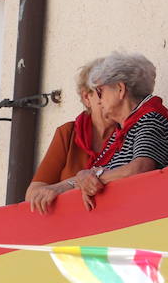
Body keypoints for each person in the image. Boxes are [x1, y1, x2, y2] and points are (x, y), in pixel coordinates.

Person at [70, 52, 168, 211]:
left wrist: (94, 177)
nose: (99, 101)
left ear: (120, 89)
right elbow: (105, 172)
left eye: (100, 92)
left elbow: (140, 168)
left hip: (150, 216)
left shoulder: (150, 119)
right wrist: (80, 178)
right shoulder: (123, 130)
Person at [25, 58, 110, 214]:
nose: (109, 98)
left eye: (115, 90)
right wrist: (76, 182)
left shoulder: (126, 132)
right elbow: (33, 194)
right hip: (70, 226)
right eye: (102, 91)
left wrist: (67, 185)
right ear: (87, 97)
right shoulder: (69, 133)